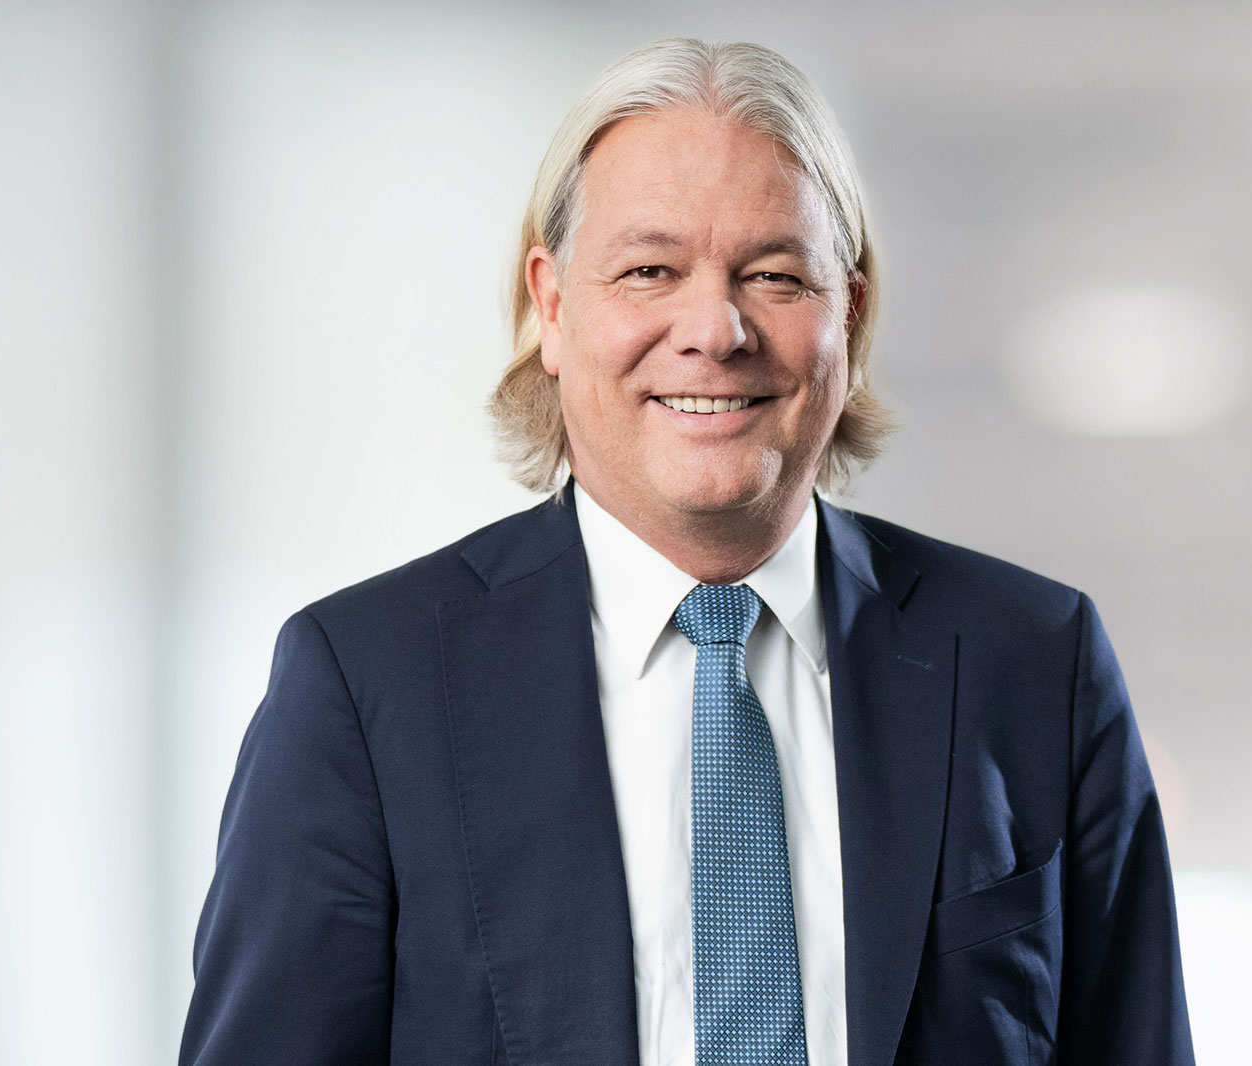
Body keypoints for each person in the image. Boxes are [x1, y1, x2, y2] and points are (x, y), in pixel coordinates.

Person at [180, 37, 1194, 1066]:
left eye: (773, 274)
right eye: (650, 270)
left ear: (851, 309)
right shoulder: (365, 686)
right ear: (554, 306)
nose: (714, 327)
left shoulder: (1031, 662)